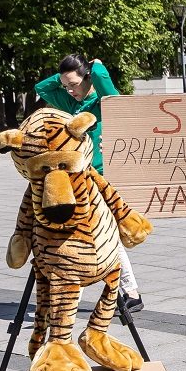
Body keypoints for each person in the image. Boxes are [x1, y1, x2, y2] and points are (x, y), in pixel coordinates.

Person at [35, 54, 144, 313]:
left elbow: (110, 91)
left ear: (88, 78)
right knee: (86, 234)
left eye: (74, 84)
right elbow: (41, 88)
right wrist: (66, 77)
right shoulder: (69, 102)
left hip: (104, 180)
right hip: (78, 180)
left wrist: (96, 68)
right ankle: (128, 292)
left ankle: (126, 291)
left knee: (98, 234)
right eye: (66, 86)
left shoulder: (103, 103)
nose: (70, 90)